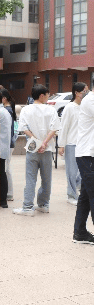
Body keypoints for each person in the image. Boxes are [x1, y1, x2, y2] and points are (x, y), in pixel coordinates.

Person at [13, 84, 61, 216]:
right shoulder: (51, 110)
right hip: (47, 148)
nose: (48, 97)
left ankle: (27, 207)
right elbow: (54, 128)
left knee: (30, 178)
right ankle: (44, 204)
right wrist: (44, 143)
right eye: (47, 95)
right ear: (42, 95)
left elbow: (23, 128)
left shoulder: (25, 110)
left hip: (32, 148)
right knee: (47, 179)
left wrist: (37, 141)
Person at [59, 82, 88, 206]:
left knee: (82, 172)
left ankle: (80, 193)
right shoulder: (70, 107)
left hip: (83, 144)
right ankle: (71, 195)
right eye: (84, 92)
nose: (86, 94)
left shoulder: (85, 107)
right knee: (71, 171)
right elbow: (64, 126)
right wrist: (61, 144)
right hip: (71, 143)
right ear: (76, 93)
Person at [73, 83, 94, 244]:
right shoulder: (91, 100)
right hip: (88, 154)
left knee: (86, 195)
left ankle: (79, 233)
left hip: (88, 154)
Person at [0, 88, 17, 202]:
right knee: (6, 168)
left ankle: (9, 193)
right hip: (10, 143)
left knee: (6, 169)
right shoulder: (8, 109)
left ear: (3, 99)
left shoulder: (7, 111)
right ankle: (9, 193)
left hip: (8, 144)